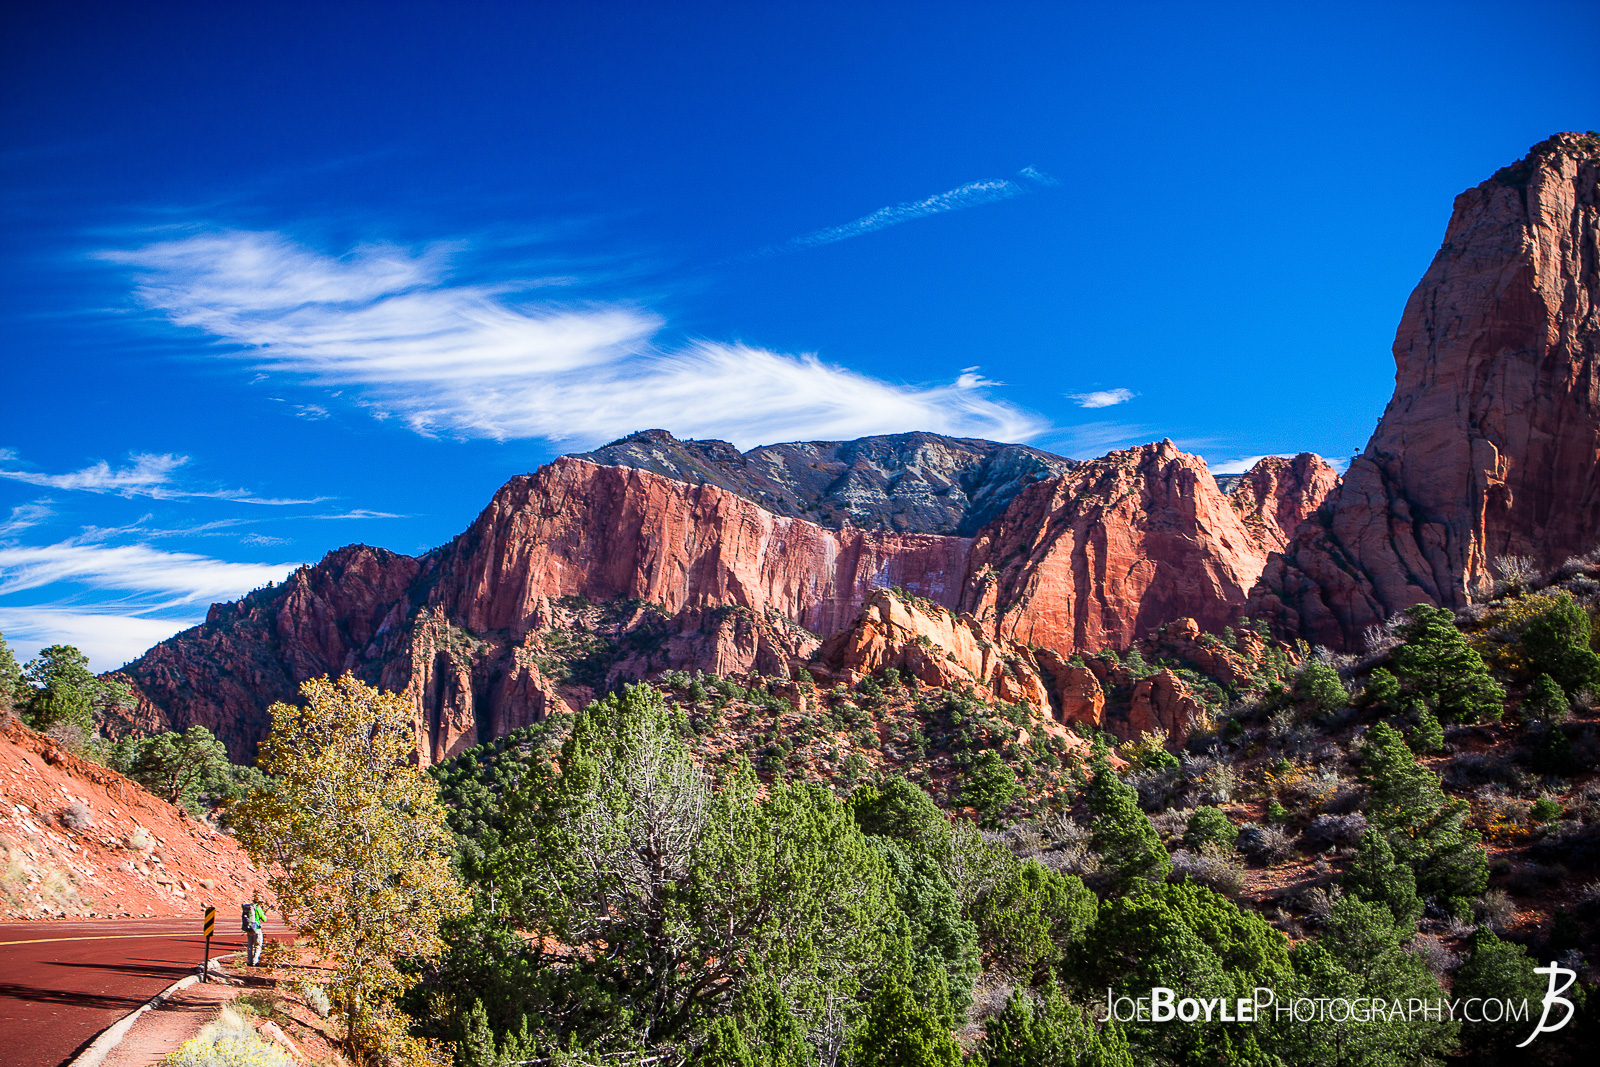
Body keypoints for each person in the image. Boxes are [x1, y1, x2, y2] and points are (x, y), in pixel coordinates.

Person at [243, 893, 266, 966]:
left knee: (250, 946)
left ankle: (249, 961)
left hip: (249, 929)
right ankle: (255, 961)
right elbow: (264, 919)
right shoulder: (257, 908)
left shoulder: (248, 907)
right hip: (256, 929)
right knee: (258, 945)